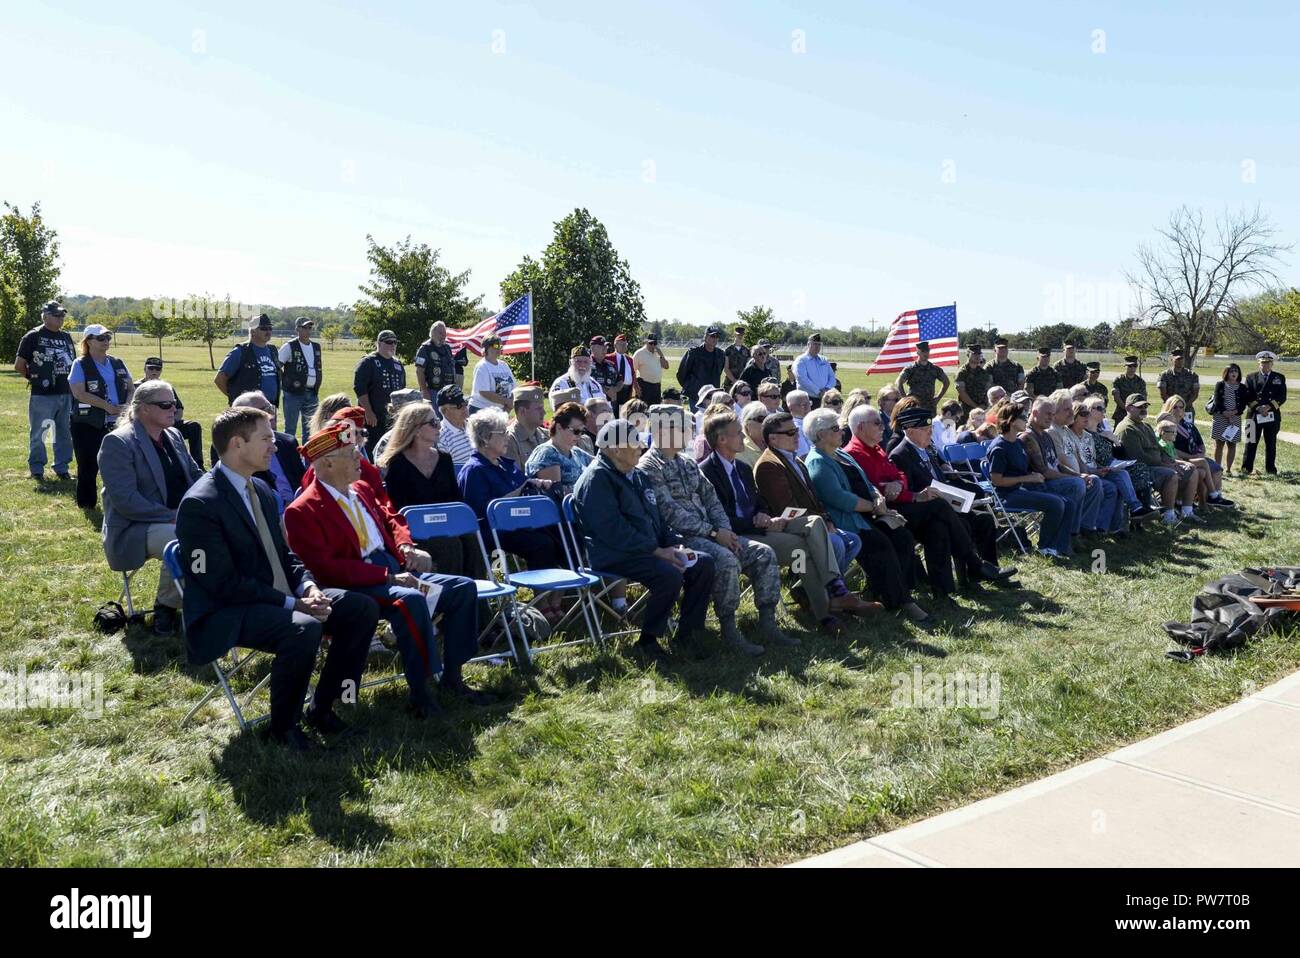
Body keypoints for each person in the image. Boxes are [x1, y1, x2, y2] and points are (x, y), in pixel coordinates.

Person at [177, 406, 380, 749]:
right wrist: (294, 603)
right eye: (267, 438)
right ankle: (283, 729)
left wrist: (310, 587)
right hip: (226, 610)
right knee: (303, 626)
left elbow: (286, 555)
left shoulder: (263, 491)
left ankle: (324, 707)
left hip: (274, 596)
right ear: (237, 444)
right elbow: (221, 584)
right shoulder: (202, 503)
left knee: (360, 608)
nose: (276, 445)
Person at [286, 420, 488, 718]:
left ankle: (453, 676)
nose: (360, 458)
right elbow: (328, 569)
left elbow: (392, 519)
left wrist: (407, 546)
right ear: (327, 463)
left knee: (462, 588)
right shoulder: (303, 509)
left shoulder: (362, 489)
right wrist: (388, 577)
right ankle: (421, 693)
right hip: (361, 581)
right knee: (411, 601)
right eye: (351, 454)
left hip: (394, 566)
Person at [700, 410, 876, 635]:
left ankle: (828, 601)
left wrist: (763, 515)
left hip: (766, 526)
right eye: (738, 434)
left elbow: (758, 502)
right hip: (740, 534)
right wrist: (758, 522)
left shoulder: (742, 468)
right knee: (808, 548)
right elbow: (719, 516)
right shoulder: (707, 472)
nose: (744, 438)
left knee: (812, 527)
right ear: (722, 439)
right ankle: (827, 605)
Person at [637, 404, 790, 655]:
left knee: (763, 553)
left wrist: (725, 531)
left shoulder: (686, 463)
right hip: (681, 539)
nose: (689, 431)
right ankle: (728, 629)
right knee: (726, 560)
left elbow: (711, 499)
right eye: (683, 427)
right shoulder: (649, 466)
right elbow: (670, 513)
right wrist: (713, 533)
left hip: (712, 533)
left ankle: (767, 622)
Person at [572, 419, 716, 662]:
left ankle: (689, 633)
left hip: (646, 550)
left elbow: (657, 518)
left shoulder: (636, 475)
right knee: (668, 574)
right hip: (614, 555)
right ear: (616, 449)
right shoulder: (596, 480)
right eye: (634, 442)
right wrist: (657, 551)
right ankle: (648, 640)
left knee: (703, 563)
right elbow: (613, 532)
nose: (641, 446)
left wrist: (674, 543)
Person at [845, 404, 1016, 597]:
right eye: (877, 423)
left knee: (942, 527)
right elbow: (877, 488)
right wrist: (904, 491)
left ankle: (946, 593)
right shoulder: (857, 454)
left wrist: (897, 484)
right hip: (892, 512)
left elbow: (899, 477)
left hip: (916, 506)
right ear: (860, 427)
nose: (882, 427)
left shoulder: (877, 449)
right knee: (942, 509)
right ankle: (975, 565)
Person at [800, 408, 936, 623]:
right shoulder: (818, 461)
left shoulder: (840, 453)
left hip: (867, 514)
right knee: (881, 546)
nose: (841, 431)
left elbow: (865, 481)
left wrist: (876, 496)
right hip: (846, 521)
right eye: (835, 428)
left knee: (902, 537)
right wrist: (874, 507)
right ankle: (901, 602)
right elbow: (838, 498)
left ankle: (892, 591)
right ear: (820, 434)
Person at [98, 379, 202, 635]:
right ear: (143, 408)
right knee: (186, 537)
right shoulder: (118, 443)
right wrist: (173, 517)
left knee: (218, 530)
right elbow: (126, 501)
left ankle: (206, 600)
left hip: (177, 518)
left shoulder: (174, 435)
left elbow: (195, 475)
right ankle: (165, 608)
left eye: (175, 403)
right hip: (134, 527)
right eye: (165, 404)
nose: (173, 409)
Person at [457, 407, 567, 622]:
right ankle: (542, 602)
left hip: (523, 523)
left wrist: (536, 484)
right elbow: (480, 512)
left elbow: (524, 488)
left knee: (564, 533)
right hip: (494, 531)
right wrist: (519, 492)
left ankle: (557, 598)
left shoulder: (508, 465)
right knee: (541, 543)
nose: (508, 435)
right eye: (502, 432)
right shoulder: (474, 470)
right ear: (485, 438)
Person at [379, 402, 480, 578]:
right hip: (417, 532)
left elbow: (456, 500)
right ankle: (452, 599)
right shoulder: (397, 464)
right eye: (433, 422)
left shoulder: (444, 460)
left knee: (472, 540)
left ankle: (478, 601)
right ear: (416, 430)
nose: (439, 425)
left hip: (447, 525)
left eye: (438, 421)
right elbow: (397, 509)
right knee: (450, 545)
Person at [985, 404, 1073, 560]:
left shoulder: (1018, 443)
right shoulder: (999, 447)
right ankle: (1045, 548)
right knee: (1056, 503)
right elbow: (997, 480)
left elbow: (1023, 469)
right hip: (1008, 495)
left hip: (1024, 489)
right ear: (1012, 421)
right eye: (1023, 417)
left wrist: (1033, 476)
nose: (1027, 419)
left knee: (1069, 503)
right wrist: (1027, 478)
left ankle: (1061, 547)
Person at [69, 323, 134, 509]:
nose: (106, 341)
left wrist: (127, 406)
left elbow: (131, 388)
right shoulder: (80, 364)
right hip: (87, 423)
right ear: (88, 341)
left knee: (118, 465)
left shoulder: (118, 362)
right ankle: (87, 504)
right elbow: (79, 393)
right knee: (88, 465)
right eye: (101, 338)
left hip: (118, 423)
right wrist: (107, 407)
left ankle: (118, 503)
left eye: (108, 337)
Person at [15, 300, 76, 481]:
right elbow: (19, 365)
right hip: (42, 395)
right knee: (40, 433)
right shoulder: (33, 336)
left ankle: (62, 467)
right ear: (45, 316)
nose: (61, 319)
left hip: (66, 392)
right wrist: (36, 380)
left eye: (62, 315)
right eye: (57, 315)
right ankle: (36, 469)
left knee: (64, 432)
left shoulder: (66, 336)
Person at [1047, 393, 1122, 537]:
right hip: (1061, 478)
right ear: (1055, 410)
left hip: (1076, 475)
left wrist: (1094, 471)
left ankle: (1096, 528)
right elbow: (1060, 462)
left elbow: (1079, 461)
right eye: (1067, 409)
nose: (1071, 413)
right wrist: (1080, 475)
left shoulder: (1064, 431)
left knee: (1111, 481)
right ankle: (1079, 530)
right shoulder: (1053, 432)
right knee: (1092, 482)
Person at [1074, 398, 1155, 528]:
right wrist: (1102, 467)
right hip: (1098, 469)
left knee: (1139, 469)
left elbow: (1121, 454)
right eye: (1099, 408)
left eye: (1104, 408)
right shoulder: (1085, 434)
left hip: (1111, 466)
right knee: (1124, 476)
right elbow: (1089, 458)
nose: (1103, 411)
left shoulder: (1103, 432)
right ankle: (1136, 510)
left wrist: (1114, 441)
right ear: (1089, 410)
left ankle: (1138, 512)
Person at [1114, 394, 1193, 525]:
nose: (1144, 409)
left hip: (1155, 464)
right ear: (1128, 408)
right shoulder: (1127, 428)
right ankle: (1169, 515)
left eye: (1145, 406)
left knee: (1190, 469)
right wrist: (1165, 465)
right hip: (1139, 470)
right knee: (1171, 475)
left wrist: (1172, 462)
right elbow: (1138, 457)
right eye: (1139, 407)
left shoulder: (1145, 426)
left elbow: (1159, 449)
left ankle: (1186, 509)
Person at [1021, 396, 1093, 543]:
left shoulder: (1046, 435)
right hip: (1037, 486)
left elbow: (1058, 465)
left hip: (1052, 481)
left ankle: (1074, 532)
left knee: (1085, 481)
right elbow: (1044, 471)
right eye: (1047, 413)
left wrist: (1079, 475)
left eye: (1053, 414)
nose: (1051, 417)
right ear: (1034, 413)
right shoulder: (1028, 437)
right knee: (1076, 485)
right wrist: (1075, 479)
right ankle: (1068, 535)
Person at [1162, 396, 1234, 508]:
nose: (1178, 410)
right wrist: (1192, 456)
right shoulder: (1166, 426)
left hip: (1194, 456)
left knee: (1217, 469)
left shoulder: (1189, 425)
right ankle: (1207, 498)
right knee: (1201, 470)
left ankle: (1214, 497)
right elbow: (1170, 449)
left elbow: (1200, 443)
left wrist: (1201, 453)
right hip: (1180, 459)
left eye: (1181, 407)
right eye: (1175, 407)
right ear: (1168, 407)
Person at [136, 356, 204, 467]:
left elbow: (179, 409)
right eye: (151, 368)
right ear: (145, 369)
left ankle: (198, 465)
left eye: (157, 369)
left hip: (168, 423)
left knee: (193, 426)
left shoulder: (166, 387)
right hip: (148, 427)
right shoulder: (136, 387)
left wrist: (170, 421)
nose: (154, 371)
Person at [353, 329, 407, 458]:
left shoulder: (397, 364)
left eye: (395, 342)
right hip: (374, 417)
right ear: (379, 343)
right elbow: (360, 389)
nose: (392, 345)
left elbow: (402, 390)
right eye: (389, 342)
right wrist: (368, 411)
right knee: (372, 449)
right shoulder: (368, 362)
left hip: (393, 417)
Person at [525, 401, 595, 498]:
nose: (579, 436)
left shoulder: (576, 452)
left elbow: (600, 464)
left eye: (582, 431)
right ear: (559, 427)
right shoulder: (547, 453)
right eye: (575, 431)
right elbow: (556, 497)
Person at [216, 313, 281, 407]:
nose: (268, 331)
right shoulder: (240, 351)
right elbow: (219, 379)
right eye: (263, 328)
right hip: (248, 407)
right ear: (253, 331)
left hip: (270, 405)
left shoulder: (273, 350)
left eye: (270, 328)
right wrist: (237, 399)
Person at [1243, 350, 1286, 476]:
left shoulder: (1279, 377)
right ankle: (1246, 468)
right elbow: (1247, 396)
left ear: (1272, 364)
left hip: (1272, 416)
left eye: (1267, 363)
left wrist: (1268, 407)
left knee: (1271, 444)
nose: (1265, 365)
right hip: (1253, 415)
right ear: (1258, 363)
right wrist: (1259, 408)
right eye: (1262, 363)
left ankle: (1271, 469)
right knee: (1250, 442)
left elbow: (1282, 397)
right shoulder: (1251, 377)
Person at [278, 316, 321, 442]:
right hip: (293, 393)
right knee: (290, 429)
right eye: (304, 327)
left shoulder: (316, 346)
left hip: (312, 393)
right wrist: (286, 380)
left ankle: (307, 460)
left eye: (310, 327)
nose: (308, 330)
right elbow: (277, 366)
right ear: (297, 329)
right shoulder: (289, 346)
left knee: (310, 430)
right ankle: (290, 458)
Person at [1208, 363, 1248, 475]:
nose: (1234, 373)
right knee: (1219, 444)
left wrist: (1233, 413)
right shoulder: (1220, 385)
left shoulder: (1242, 387)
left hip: (1235, 418)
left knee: (1232, 444)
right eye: (1231, 371)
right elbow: (1217, 401)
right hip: (1220, 417)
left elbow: (1243, 405)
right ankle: (1217, 468)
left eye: (1236, 371)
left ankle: (1229, 469)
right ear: (1226, 373)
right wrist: (1225, 413)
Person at [676, 325, 726, 411]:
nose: (715, 338)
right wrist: (691, 387)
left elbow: (719, 372)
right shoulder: (693, 353)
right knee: (696, 422)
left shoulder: (720, 354)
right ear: (705, 337)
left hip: (712, 397)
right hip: (696, 396)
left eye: (717, 336)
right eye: (712, 336)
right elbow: (681, 374)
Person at [372, 387, 424, 464]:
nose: (422, 414)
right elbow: (382, 472)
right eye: (416, 411)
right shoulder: (387, 442)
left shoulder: (426, 435)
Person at [895, 340, 951, 408]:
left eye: (927, 351)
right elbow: (898, 382)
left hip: (929, 407)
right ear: (918, 352)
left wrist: (938, 398)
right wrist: (906, 400)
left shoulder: (935, 369)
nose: (926, 353)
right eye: (923, 351)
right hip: (914, 407)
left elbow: (946, 382)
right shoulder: (911, 369)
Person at [414, 321, 457, 401]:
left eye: (445, 333)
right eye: (440, 333)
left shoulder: (447, 348)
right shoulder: (424, 348)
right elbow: (419, 371)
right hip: (432, 391)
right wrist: (424, 391)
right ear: (432, 333)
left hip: (447, 391)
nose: (443, 336)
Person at [434, 385, 474, 468]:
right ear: (446, 411)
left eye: (465, 403)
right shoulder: (441, 437)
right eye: (459, 405)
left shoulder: (474, 425)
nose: (465, 408)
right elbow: (446, 472)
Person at [793, 333, 837, 406]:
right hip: (807, 400)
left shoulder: (823, 360)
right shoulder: (801, 360)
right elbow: (802, 379)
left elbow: (832, 377)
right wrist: (818, 392)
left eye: (819, 344)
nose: (817, 347)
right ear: (808, 344)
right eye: (814, 344)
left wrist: (826, 389)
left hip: (824, 398)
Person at [954, 344, 991, 423]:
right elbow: (962, 393)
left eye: (979, 354)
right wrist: (976, 406)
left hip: (982, 410)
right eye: (974, 354)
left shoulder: (983, 373)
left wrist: (984, 405)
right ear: (968, 354)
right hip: (966, 411)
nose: (977, 356)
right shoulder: (962, 372)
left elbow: (987, 390)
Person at [632, 334, 670, 405]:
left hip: (657, 387)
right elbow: (632, 371)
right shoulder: (639, 353)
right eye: (650, 343)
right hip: (645, 387)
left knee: (655, 411)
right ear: (646, 342)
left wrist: (661, 354)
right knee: (644, 411)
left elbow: (666, 366)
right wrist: (636, 387)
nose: (653, 345)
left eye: (655, 343)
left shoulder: (658, 353)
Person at [1111, 355, 1146, 423]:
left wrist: (1136, 410)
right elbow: (1116, 397)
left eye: (1135, 366)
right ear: (1125, 366)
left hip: (1136, 414)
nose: (1132, 368)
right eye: (1130, 366)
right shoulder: (1119, 380)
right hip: (1121, 413)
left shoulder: (1140, 381)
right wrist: (1127, 409)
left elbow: (1143, 398)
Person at [737, 401, 769, 468]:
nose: (765, 423)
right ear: (747, 424)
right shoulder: (741, 450)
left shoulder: (773, 444)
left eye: (767, 419)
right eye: (761, 419)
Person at [610, 333, 635, 413]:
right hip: (615, 390)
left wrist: (636, 387)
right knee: (614, 411)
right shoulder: (609, 357)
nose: (624, 346)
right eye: (621, 344)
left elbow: (633, 374)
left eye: (625, 344)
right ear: (615, 345)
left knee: (624, 412)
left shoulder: (629, 359)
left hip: (627, 391)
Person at [785, 390, 813, 457]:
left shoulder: (814, 421)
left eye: (808, 403)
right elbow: (803, 456)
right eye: (803, 405)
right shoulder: (793, 428)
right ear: (790, 408)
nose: (807, 407)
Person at [876, 384, 902, 449]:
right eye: (895, 400)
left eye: (898, 400)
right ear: (881, 402)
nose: (897, 403)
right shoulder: (876, 420)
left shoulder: (902, 419)